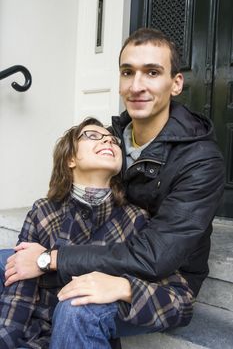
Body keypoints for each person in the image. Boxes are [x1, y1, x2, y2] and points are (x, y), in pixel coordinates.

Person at [0, 117, 194, 348]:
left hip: (83, 332)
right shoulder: (43, 211)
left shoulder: (135, 219)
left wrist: (125, 288)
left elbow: (180, 304)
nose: (108, 141)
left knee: (76, 305)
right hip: (36, 336)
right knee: (6, 261)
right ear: (70, 158)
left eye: (113, 140)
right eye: (93, 135)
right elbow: (19, 293)